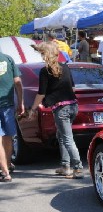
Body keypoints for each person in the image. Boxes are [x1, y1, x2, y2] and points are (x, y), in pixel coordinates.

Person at [29, 42, 83, 179]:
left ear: (45, 55)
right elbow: (73, 88)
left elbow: (41, 93)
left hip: (61, 109)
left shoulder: (45, 71)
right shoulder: (65, 67)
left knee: (67, 139)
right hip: (73, 106)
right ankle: (65, 166)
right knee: (61, 136)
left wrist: (33, 109)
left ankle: (77, 168)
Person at [0, 51, 25, 182]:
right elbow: (18, 82)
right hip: (8, 104)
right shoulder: (8, 58)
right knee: (8, 136)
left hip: (6, 104)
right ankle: (8, 165)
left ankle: (5, 171)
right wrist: (20, 102)